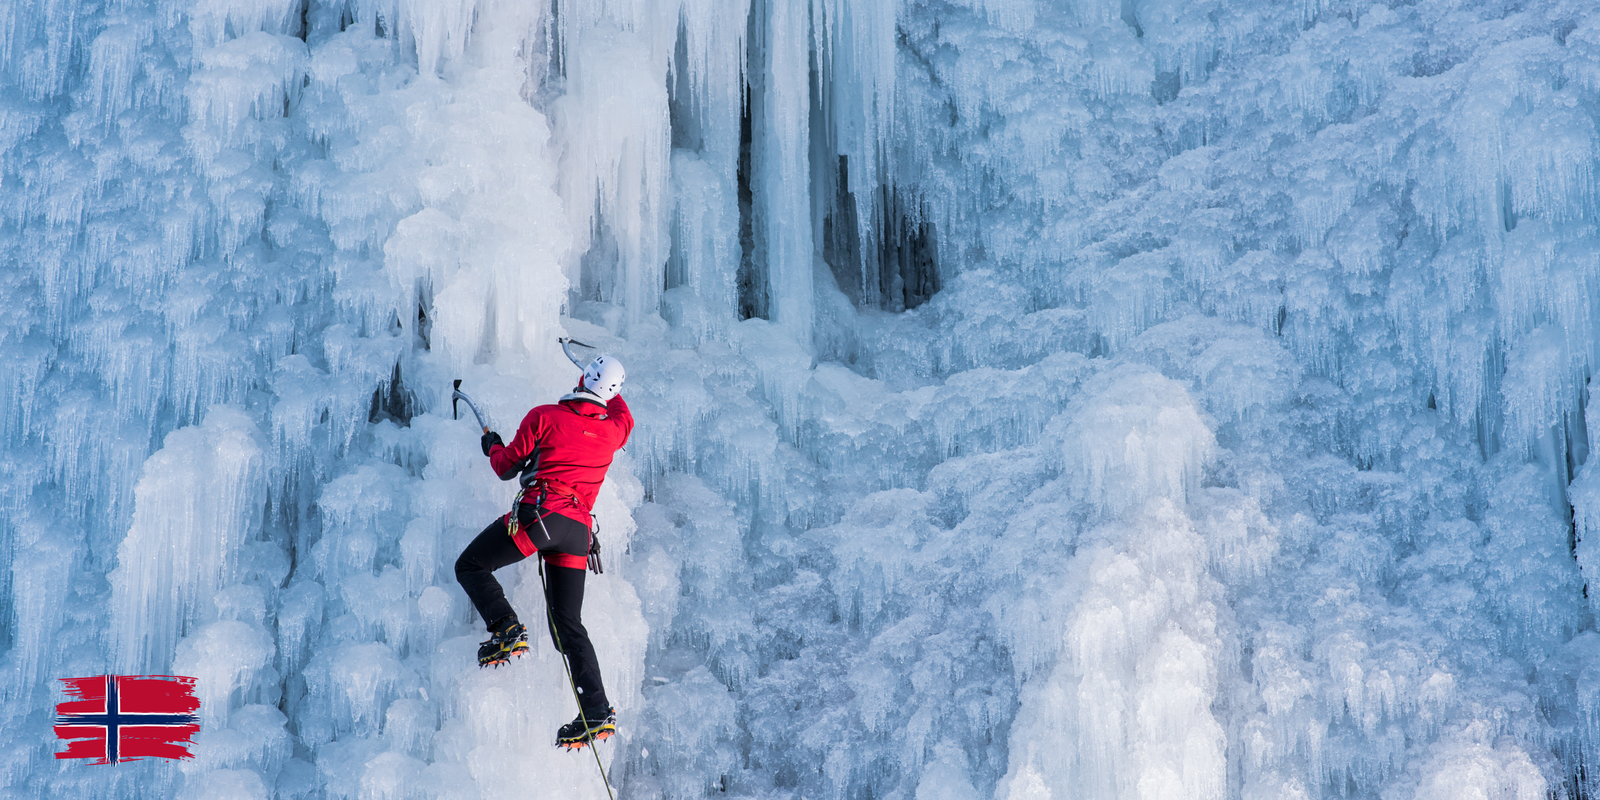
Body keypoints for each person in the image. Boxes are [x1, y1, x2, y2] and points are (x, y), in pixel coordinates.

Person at [454, 355, 632, 749]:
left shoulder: (545, 417)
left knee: (470, 565)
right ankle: (597, 711)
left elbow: (505, 467)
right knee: (568, 623)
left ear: (584, 377)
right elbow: (620, 409)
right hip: (577, 533)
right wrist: (610, 385)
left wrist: (492, 444)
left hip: (542, 517)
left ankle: (506, 628)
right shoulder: (615, 430)